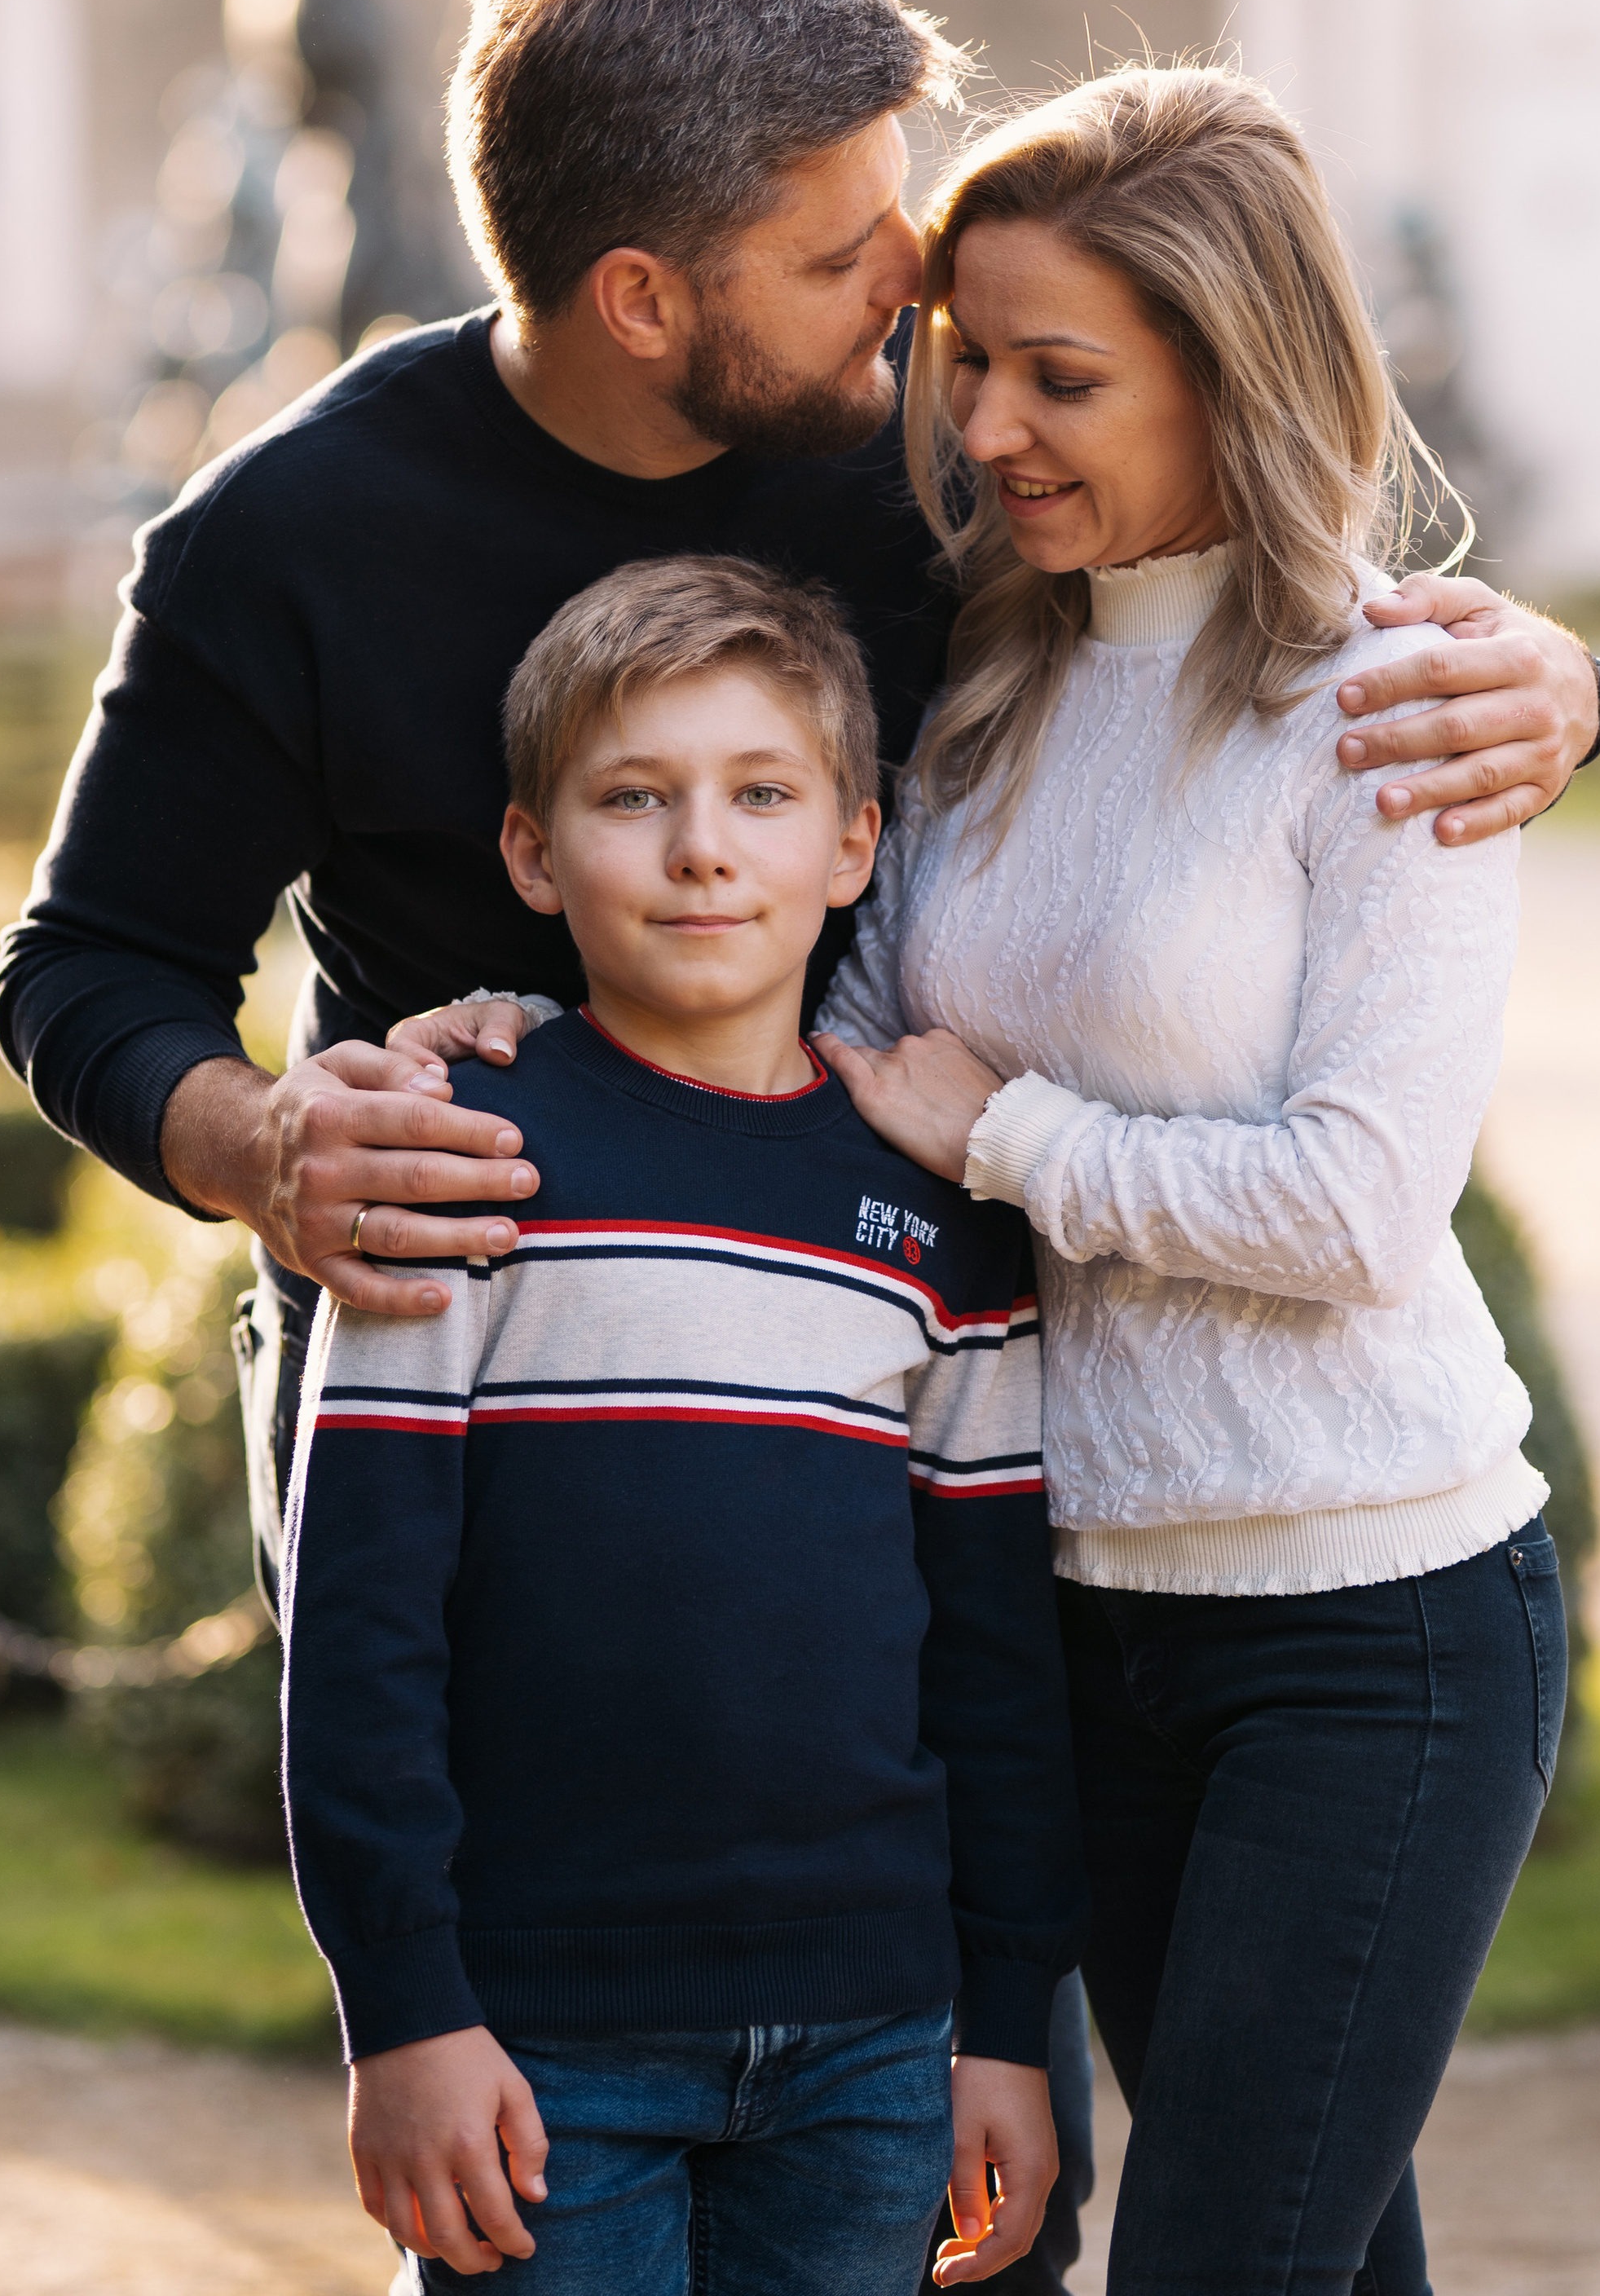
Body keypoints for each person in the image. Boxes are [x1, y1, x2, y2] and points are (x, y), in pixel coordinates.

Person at [0, 0, 1600, 2295]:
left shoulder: (919, 491)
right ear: (648, 296)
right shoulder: (286, 540)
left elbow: (1235, 617)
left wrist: (1567, 693)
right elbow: (83, 967)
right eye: (856, 252)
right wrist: (261, 1148)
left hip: (916, 1408)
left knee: (970, 2172)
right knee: (555, 2133)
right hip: (485, 1389)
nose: (927, 316)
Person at [802, 64, 1566, 2296]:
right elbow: (853, 1038)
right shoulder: (984, 696)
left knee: (1218, 2262)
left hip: (1379, 1629)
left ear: (1229, 379)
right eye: (973, 372)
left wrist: (1015, 1140)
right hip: (1079, 1612)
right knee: (1318, 2257)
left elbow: (1356, 1213)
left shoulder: (1399, 695)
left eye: (1064, 378)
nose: (993, 432)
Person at [282, 553, 1083, 2294]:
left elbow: (995, 1665)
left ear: (853, 845)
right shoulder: (457, 1163)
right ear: (531, 850)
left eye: (760, 795)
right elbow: (357, 1631)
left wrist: (1002, 2023)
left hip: (874, 2037)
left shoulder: (941, 1215)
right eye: (632, 798)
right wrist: (403, 2015)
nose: (702, 848)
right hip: (537, 2037)